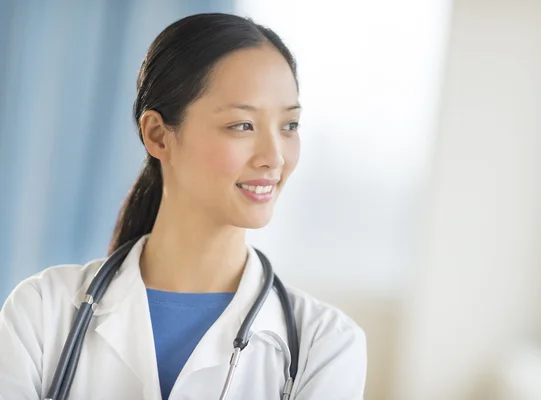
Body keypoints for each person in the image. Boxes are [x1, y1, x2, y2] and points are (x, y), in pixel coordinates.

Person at [0, 12, 367, 400]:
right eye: (242, 125)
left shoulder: (325, 344)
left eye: (289, 126)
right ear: (158, 135)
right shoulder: (41, 312)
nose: (274, 157)